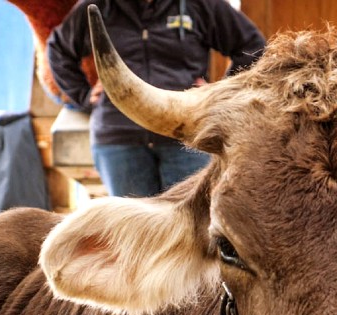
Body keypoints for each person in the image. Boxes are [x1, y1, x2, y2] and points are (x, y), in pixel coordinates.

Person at [46, 0, 265, 197]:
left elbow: (252, 46)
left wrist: (220, 94)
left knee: (193, 229)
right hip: (119, 138)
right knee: (132, 232)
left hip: (187, 136)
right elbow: (58, 49)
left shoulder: (201, 5)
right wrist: (83, 96)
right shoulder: (96, 6)